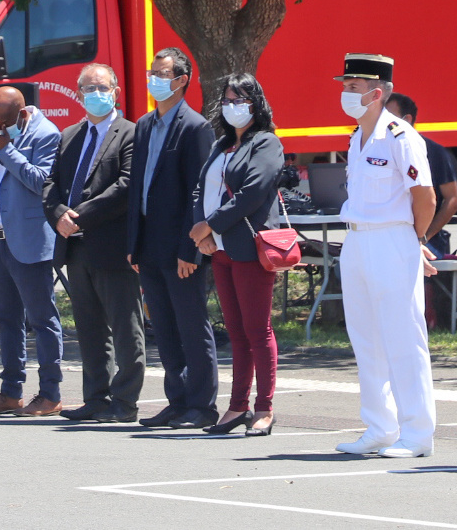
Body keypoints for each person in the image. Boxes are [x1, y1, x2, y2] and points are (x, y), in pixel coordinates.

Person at [332, 54, 439, 459]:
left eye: (354, 88)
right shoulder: (355, 137)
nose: (346, 94)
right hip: (358, 240)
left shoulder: (400, 136)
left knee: (403, 337)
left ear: (377, 93)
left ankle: (417, 433)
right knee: (366, 337)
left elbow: (424, 196)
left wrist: (415, 239)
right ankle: (380, 426)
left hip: (392, 240)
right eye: (345, 86)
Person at [43, 64, 141, 423]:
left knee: (125, 326)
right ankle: (96, 398)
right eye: (88, 88)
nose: (96, 93)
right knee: (89, 326)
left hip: (112, 244)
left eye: (102, 87)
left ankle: (125, 402)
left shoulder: (130, 133)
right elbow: (51, 184)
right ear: (78, 93)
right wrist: (58, 215)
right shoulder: (69, 135)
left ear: (115, 91)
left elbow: (127, 186)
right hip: (75, 247)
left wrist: (79, 215)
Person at [189, 73, 285, 437]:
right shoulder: (221, 144)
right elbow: (201, 189)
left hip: (249, 247)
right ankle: (237, 406)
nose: (233, 106)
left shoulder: (267, 143)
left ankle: (264, 408)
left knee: (257, 330)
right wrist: (203, 231)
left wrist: (211, 226)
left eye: (240, 99)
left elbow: (252, 193)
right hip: (221, 249)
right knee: (236, 331)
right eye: (227, 100)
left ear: (255, 103)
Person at [126, 48, 217, 429]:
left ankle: (201, 405)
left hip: (182, 247)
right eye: (152, 72)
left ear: (181, 80)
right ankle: (176, 401)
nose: (154, 79)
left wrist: (190, 250)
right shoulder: (145, 125)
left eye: (162, 74)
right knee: (163, 327)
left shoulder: (195, 127)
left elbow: (199, 194)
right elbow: (137, 189)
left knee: (191, 326)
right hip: (148, 245)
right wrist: (133, 244)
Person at [0, 86, 64, 416]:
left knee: (41, 320)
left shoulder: (46, 134)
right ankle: (11, 392)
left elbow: (41, 182)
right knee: (7, 321)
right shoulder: (1, 134)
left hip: (29, 244)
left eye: (4, 120)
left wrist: (7, 149)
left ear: (22, 114)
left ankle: (50, 394)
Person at [385, 93, 457, 258]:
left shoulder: (434, 151)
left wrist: (423, 237)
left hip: (426, 241)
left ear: (407, 119)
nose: (383, 123)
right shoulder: (379, 150)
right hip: (388, 236)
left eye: (389, 117)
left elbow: (453, 200)